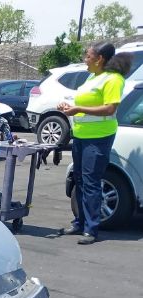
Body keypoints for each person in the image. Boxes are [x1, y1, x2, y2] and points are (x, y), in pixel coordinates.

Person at [57, 42, 132, 245]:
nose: (85, 59)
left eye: (88, 56)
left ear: (99, 59)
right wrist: (69, 107)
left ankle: (91, 228)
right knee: (80, 179)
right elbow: (86, 102)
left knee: (91, 181)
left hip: (99, 137)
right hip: (81, 135)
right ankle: (79, 223)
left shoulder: (113, 79)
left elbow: (109, 109)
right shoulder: (93, 77)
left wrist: (78, 108)